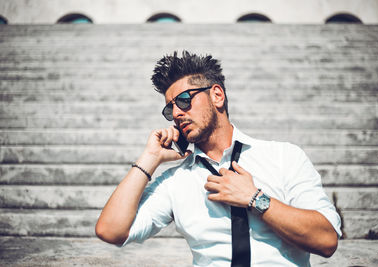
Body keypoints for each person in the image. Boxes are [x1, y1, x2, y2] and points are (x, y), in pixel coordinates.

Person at [95, 51, 341, 266]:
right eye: (170, 109)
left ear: (217, 95)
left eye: (184, 100)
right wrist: (150, 158)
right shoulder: (176, 181)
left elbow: (326, 240)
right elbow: (110, 230)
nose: (177, 113)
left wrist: (255, 199)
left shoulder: (283, 156)